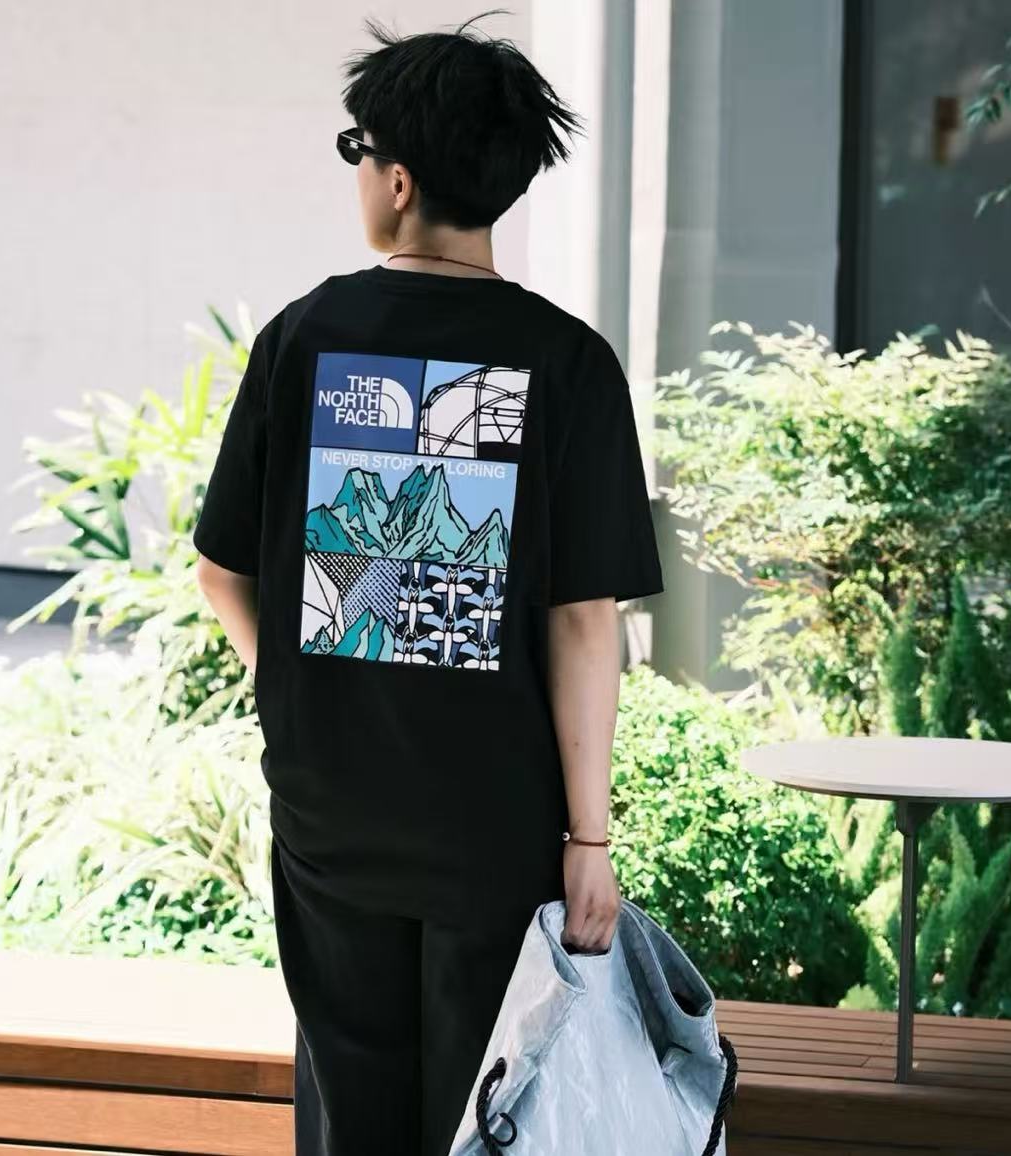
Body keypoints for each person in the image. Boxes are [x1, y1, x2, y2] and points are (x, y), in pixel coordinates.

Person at [193, 15, 663, 1156]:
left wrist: (294, 691)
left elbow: (221, 571)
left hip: (331, 804)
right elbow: (583, 620)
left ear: (396, 180)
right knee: (487, 1112)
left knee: (351, 1106)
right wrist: (589, 840)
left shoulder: (303, 338)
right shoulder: (569, 361)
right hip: (496, 819)